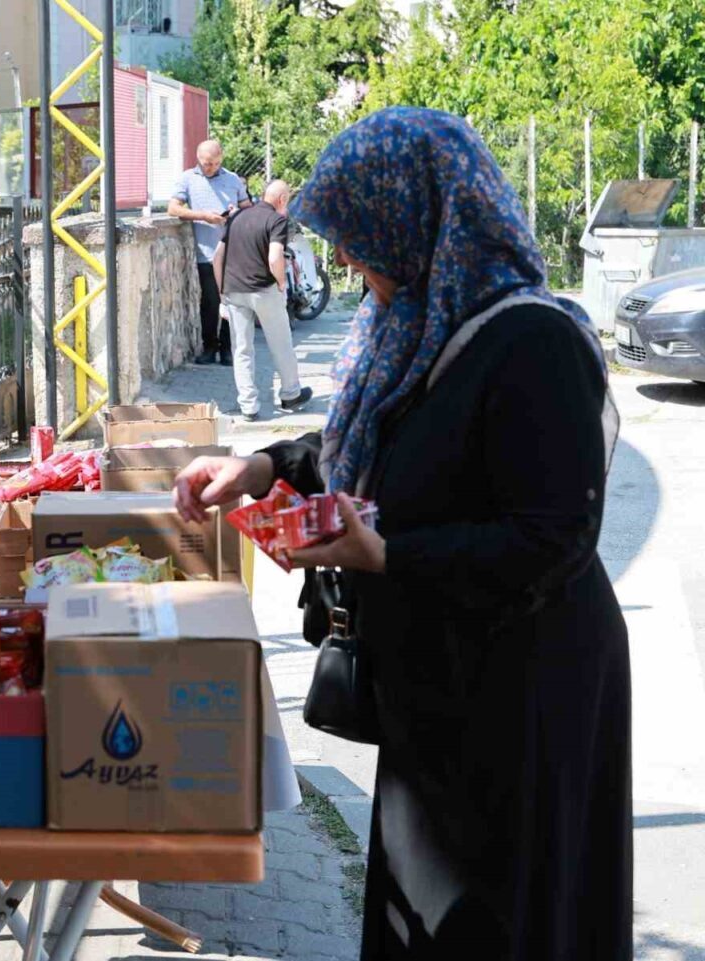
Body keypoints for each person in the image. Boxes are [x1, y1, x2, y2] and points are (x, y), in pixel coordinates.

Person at [173, 108, 631, 960]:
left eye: (357, 238)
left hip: (521, 691)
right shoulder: (413, 318)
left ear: (416, 217)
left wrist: (388, 553)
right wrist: (266, 467)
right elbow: (377, 444)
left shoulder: (533, 341)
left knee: (494, 918)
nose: (345, 260)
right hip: (438, 679)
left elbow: (554, 537)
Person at [213, 179, 313, 421]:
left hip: (234, 290)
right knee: (281, 344)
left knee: (241, 349)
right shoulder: (277, 220)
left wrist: (222, 292)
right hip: (264, 290)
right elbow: (274, 257)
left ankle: (248, 406)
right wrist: (280, 282)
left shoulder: (236, 217)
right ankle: (290, 394)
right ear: (282, 200)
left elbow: (217, 257)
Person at [169, 139, 251, 366]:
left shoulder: (233, 179)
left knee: (232, 301)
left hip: (233, 250)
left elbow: (248, 209)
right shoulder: (188, 178)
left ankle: (227, 349)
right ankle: (209, 347)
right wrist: (204, 216)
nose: (211, 168)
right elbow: (173, 208)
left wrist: (236, 213)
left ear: (221, 159)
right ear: (198, 158)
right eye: (207, 163)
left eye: (215, 163)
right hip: (206, 252)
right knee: (210, 302)